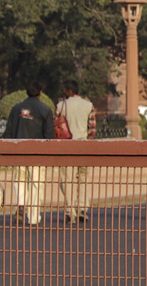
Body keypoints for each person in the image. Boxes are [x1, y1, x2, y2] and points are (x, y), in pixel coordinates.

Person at [6, 81, 55, 225]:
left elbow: (9, 131)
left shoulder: (16, 109)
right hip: (37, 153)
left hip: (18, 151)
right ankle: (34, 217)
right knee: (36, 184)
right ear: (40, 92)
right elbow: (49, 135)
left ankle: (21, 204)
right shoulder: (45, 110)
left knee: (19, 181)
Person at [56, 81, 96, 224]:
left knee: (67, 179)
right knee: (84, 179)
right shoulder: (88, 105)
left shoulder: (60, 106)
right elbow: (92, 130)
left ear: (68, 90)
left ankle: (70, 211)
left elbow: (57, 128)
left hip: (67, 147)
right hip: (84, 145)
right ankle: (82, 209)